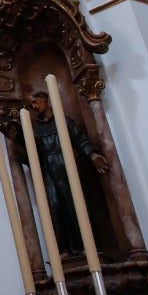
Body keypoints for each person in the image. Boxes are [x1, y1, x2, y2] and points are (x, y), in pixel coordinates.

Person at [22, 87, 108, 256]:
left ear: (44, 100)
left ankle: (86, 245)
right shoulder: (35, 128)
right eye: (30, 103)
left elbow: (80, 139)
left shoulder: (64, 121)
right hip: (49, 169)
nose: (32, 106)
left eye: (34, 102)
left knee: (75, 203)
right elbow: (32, 156)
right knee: (55, 206)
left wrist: (92, 155)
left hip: (66, 164)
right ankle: (65, 248)